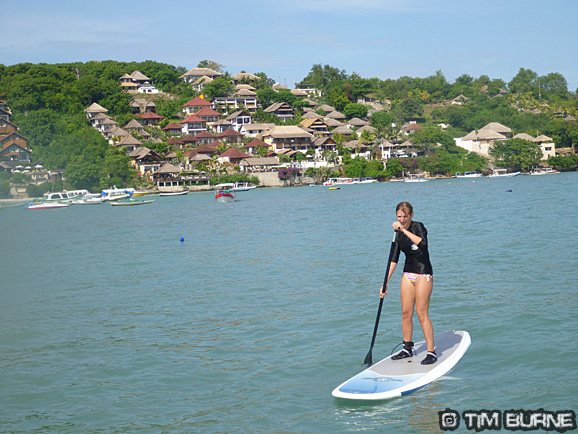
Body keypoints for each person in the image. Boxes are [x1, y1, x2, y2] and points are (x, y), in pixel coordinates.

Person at [380, 201, 436, 365]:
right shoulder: (397, 234)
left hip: (423, 273)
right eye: (399, 217)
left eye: (405, 216)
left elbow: (422, 244)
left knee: (421, 314)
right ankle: (407, 348)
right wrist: (385, 283)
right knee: (405, 313)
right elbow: (394, 258)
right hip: (408, 273)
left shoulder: (418, 227)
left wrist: (403, 229)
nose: (402, 219)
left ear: (411, 215)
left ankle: (431, 352)